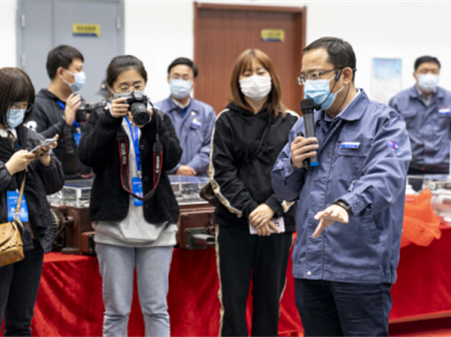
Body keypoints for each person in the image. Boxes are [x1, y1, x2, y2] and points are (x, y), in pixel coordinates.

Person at [271, 37, 412, 336]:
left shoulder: (384, 121)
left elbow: (386, 177)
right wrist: (293, 164)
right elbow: (284, 190)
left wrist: (347, 203)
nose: (309, 83)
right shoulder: (304, 125)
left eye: (317, 75)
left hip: (360, 266)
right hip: (310, 264)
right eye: (304, 76)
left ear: (345, 74)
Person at [77, 55, 182, 337]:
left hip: (157, 223)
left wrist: (149, 128)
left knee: (156, 308)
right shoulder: (99, 118)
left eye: (137, 84)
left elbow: (172, 158)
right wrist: (110, 121)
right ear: (111, 88)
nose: (131, 91)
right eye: (123, 86)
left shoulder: (158, 117)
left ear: (146, 84)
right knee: (117, 311)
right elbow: (86, 158)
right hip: (113, 226)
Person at [0, 67, 64, 336]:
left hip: (31, 237)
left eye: (23, 105)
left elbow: (53, 186)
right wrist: (7, 168)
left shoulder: (28, 135)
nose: (18, 110)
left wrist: (46, 161)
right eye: (12, 104)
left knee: (21, 323)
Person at [209, 49, 298, 336]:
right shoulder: (225, 120)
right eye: (247, 74)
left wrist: (271, 206)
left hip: (278, 222)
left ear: (273, 77)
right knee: (233, 302)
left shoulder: (292, 121)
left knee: (269, 301)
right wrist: (251, 211)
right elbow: (221, 173)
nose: (254, 79)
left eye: (261, 72)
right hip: (235, 224)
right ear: (237, 80)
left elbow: (300, 172)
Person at [29, 45, 92, 180]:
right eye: (78, 70)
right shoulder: (37, 104)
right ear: (61, 72)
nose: (82, 75)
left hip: (86, 180)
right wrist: (64, 123)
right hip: (55, 185)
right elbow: (32, 145)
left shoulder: (80, 102)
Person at [389, 56, 451, 176]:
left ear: (439, 74)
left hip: (443, 168)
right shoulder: (398, 101)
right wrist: (396, 156)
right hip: (410, 167)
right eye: (424, 71)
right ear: (415, 75)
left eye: (434, 71)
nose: (429, 75)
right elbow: (390, 137)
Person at [155, 57, 216, 177]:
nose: (180, 81)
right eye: (176, 77)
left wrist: (191, 167)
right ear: (168, 79)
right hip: (165, 178)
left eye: (185, 77)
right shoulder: (156, 111)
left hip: (197, 177)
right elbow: (152, 143)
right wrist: (175, 168)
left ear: (193, 82)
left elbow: (212, 145)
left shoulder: (206, 112)